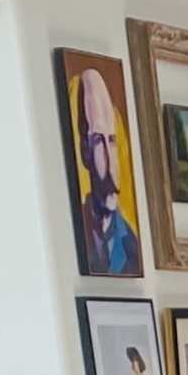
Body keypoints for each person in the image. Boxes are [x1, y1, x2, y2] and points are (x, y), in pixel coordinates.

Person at [68, 67, 141, 277]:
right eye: (99, 140)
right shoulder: (75, 233)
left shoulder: (132, 245)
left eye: (113, 140)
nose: (110, 161)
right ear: (85, 151)